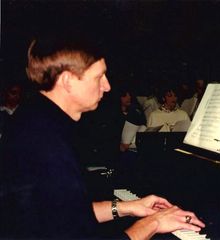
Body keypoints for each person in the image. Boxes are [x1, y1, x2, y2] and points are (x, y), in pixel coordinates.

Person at [0, 36, 205, 239]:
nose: (107, 87)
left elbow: (63, 213)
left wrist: (128, 207)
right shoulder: (46, 145)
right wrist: (154, 222)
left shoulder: (36, 117)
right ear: (68, 81)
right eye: (99, 77)